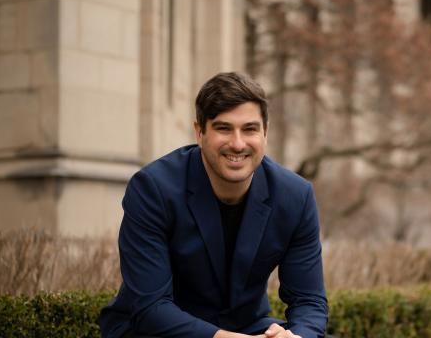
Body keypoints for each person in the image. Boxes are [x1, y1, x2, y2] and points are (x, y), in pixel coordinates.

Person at [99, 72, 328, 338]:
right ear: (199, 132)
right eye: (223, 128)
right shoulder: (153, 189)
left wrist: (297, 336)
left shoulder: (295, 196)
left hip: (247, 329)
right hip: (156, 331)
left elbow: (309, 302)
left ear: (265, 132)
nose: (238, 143)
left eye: (250, 129)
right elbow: (151, 308)